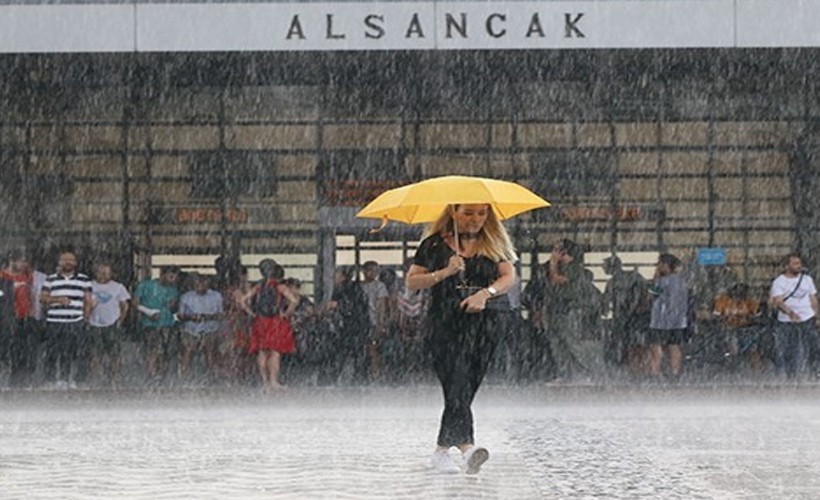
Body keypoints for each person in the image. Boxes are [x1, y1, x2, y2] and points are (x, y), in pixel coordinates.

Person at [406, 203, 516, 475]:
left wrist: (485, 293)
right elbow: (412, 281)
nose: (475, 220)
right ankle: (467, 448)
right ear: (453, 213)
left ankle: (442, 450)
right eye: (468, 213)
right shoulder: (433, 245)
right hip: (445, 324)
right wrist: (445, 272)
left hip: (485, 325)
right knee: (456, 379)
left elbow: (508, 277)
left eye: (481, 213)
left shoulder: (494, 242)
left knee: (466, 387)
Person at [543, 239, 605, 382]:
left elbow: (557, 280)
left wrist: (553, 263)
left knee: (573, 343)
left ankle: (588, 373)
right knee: (558, 344)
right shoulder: (560, 267)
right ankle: (566, 374)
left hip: (570, 309)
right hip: (557, 310)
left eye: (556, 250)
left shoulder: (573, 267)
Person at [40, 250, 93, 389]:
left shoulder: (84, 279)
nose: (67, 262)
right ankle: (52, 381)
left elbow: (88, 300)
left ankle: (79, 381)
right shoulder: (50, 279)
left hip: (76, 321)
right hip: (54, 321)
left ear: (75, 262)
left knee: (78, 352)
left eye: (70, 260)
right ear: (59, 262)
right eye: (64, 259)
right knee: (52, 352)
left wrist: (86, 318)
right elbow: (42, 298)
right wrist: (57, 299)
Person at [242, 259, 298, 391]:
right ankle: (274, 381)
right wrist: (286, 313)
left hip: (260, 321)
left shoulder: (258, 287)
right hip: (275, 321)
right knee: (275, 352)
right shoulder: (280, 287)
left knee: (262, 351)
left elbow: (242, 301)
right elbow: (294, 301)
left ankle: (265, 383)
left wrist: (251, 313)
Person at [769, 252, 819, 379]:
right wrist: (790, 313)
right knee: (789, 348)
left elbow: (813, 299)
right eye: (795, 264)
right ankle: (790, 375)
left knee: (813, 346)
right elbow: (778, 301)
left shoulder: (807, 279)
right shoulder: (779, 282)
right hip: (787, 320)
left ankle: (814, 372)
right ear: (787, 266)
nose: (799, 266)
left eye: (799, 263)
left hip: (807, 318)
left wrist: (817, 316)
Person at [603, 254, 651, 376]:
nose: (603, 268)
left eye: (605, 265)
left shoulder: (612, 282)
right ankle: (638, 368)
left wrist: (603, 311)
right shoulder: (635, 276)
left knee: (621, 342)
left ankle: (624, 366)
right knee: (635, 343)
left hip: (622, 317)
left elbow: (605, 301)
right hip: (636, 317)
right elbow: (651, 289)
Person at [322, 265, 371, 385]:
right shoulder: (342, 288)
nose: (334, 277)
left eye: (337, 275)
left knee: (351, 352)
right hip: (349, 325)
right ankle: (354, 377)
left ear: (343, 276)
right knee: (349, 352)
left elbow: (353, 306)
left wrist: (337, 305)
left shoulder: (351, 288)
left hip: (355, 325)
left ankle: (357, 377)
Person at [133, 265, 180, 384]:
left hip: (167, 324)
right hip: (150, 324)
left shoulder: (174, 289)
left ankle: (162, 376)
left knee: (165, 351)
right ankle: (152, 374)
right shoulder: (146, 285)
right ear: (162, 275)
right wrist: (148, 312)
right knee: (152, 349)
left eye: (175, 277)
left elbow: (172, 306)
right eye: (170, 276)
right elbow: (135, 303)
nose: (172, 280)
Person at [647, 253, 689, 380]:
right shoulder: (681, 281)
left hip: (660, 320)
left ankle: (655, 372)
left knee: (656, 346)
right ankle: (675, 373)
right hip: (677, 321)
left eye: (659, 264)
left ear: (666, 265)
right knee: (674, 346)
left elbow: (651, 295)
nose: (657, 267)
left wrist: (655, 278)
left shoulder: (662, 281)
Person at [88, 262, 131, 387]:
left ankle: (115, 379)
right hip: (94, 324)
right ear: (96, 273)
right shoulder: (89, 285)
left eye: (106, 273)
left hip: (112, 324)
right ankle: (95, 380)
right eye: (101, 272)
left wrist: (120, 321)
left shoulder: (118, 287)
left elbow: (125, 306)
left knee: (115, 354)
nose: (103, 275)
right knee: (95, 354)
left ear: (111, 274)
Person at [178, 274, 224, 383]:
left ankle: (212, 378)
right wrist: (191, 317)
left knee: (210, 353)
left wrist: (208, 317)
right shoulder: (186, 297)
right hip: (191, 329)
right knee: (188, 353)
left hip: (210, 328)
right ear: (194, 284)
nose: (200, 286)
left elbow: (221, 315)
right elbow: (179, 316)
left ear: (208, 284)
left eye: (203, 283)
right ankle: (185, 378)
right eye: (197, 284)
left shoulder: (216, 296)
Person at [2, 250, 37, 387]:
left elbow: (30, 295)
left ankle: (17, 381)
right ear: (12, 261)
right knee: (6, 351)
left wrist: (31, 311)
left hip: (24, 319)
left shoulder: (26, 277)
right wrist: (10, 288)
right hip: (6, 320)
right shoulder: (2, 276)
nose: (24, 264)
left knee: (22, 350)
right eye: (21, 261)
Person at [713, 283, 765, 373]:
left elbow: (758, 317)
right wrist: (725, 319)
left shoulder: (750, 302)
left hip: (747, 329)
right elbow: (715, 317)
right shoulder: (723, 301)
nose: (738, 296)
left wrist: (748, 318)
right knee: (731, 348)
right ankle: (731, 369)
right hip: (728, 328)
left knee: (753, 350)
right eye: (736, 293)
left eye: (741, 293)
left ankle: (757, 372)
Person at [360, 260, 389, 382]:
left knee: (374, 347)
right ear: (364, 271)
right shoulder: (359, 286)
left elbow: (381, 305)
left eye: (375, 271)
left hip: (373, 321)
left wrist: (380, 322)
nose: (373, 273)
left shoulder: (379, 286)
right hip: (362, 321)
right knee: (365, 348)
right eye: (370, 270)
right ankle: (367, 372)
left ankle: (376, 372)